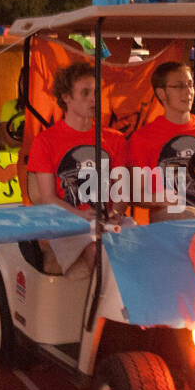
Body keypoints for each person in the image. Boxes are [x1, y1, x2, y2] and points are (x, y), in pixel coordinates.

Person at [27, 62, 130, 275]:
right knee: (96, 250)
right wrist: (80, 216)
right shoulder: (45, 141)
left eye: (96, 92)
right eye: (85, 93)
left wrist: (116, 212)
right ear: (66, 97)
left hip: (107, 221)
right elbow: (47, 198)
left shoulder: (115, 139)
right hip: (67, 222)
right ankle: (112, 306)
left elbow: (121, 190)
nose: (94, 99)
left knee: (144, 248)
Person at [128, 61, 195, 221]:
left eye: (190, 85)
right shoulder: (143, 138)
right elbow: (136, 193)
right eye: (179, 86)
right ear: (161, 93)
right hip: (168, 213)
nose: (188, 92)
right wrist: (160, 198)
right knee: (192, 215)